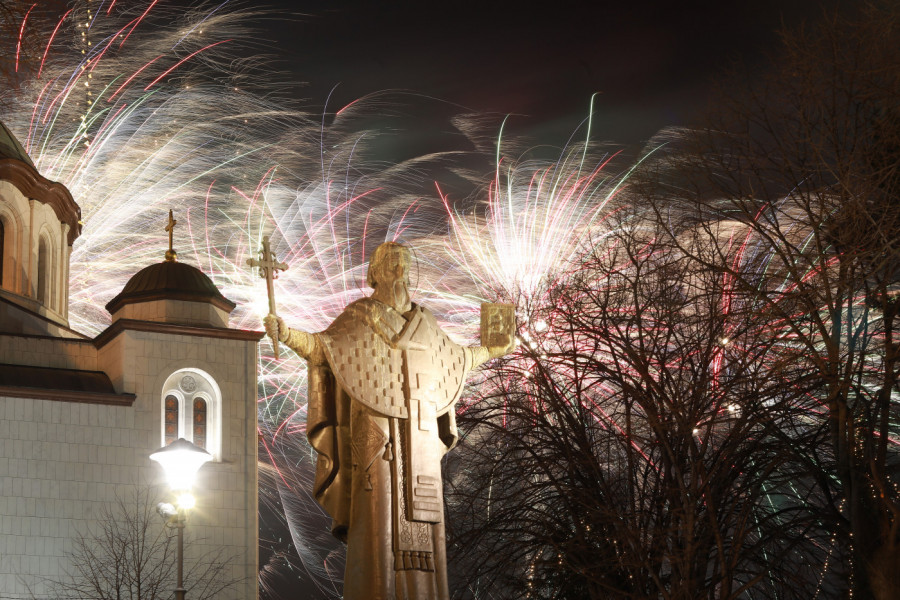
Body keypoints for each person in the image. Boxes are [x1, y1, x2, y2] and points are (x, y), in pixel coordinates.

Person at [264, 242, 513, 600]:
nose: (398, 268)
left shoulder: (427, 323)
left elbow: (457, 358)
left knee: (426, 522)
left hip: (420, 432)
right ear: (374, 273)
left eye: (403, 262)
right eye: (390, 262)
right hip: (375, 432)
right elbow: (323, 347)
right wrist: (286, 334)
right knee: (378, 513)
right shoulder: (359, 316)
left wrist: (491, 349)